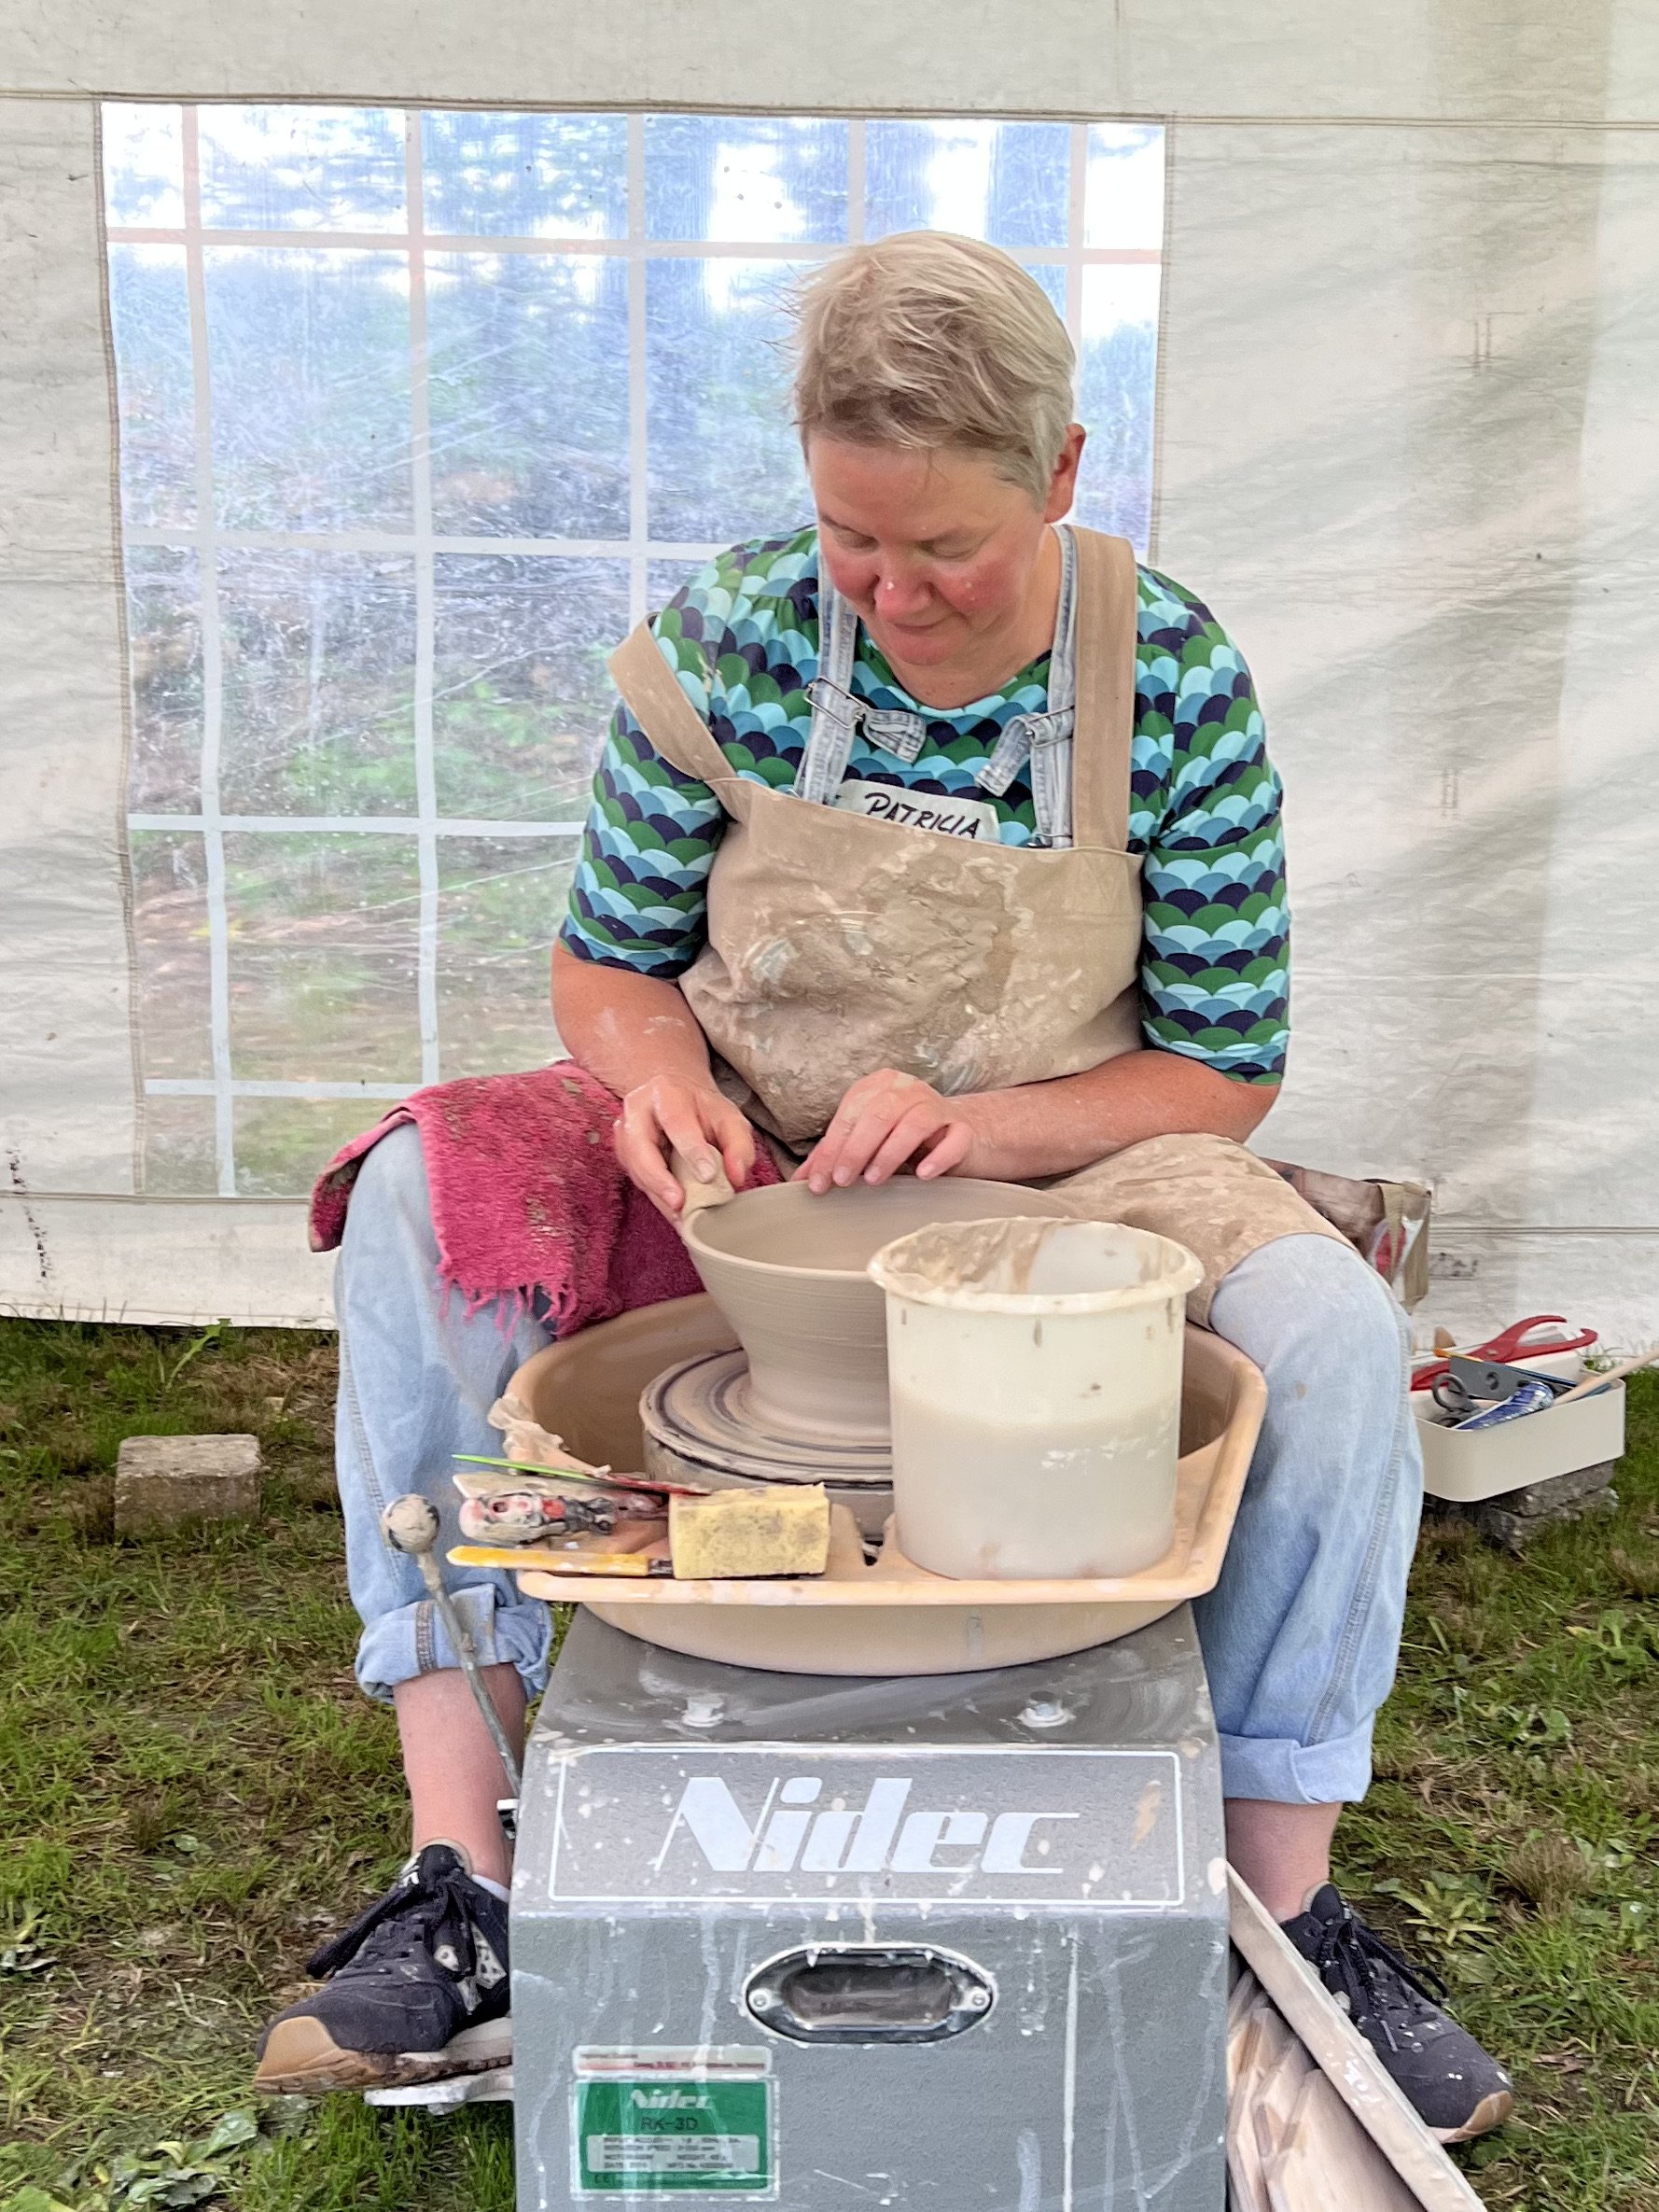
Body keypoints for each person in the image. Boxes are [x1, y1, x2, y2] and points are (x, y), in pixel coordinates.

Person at [256, 231, 1512, 2142]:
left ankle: (1270, 1918)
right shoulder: (734, 639)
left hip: (1079, 1148)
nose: (893, 591)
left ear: (1061, 472)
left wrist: (987, 1128)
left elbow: (1224, 1061)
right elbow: (605, 964)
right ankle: (469, 1876)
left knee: (1329, 1336)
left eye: (946, 549)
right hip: (748, 1142)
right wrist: (660, 1077)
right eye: (853, 538)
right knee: (432, 1190)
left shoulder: (1166, 674)